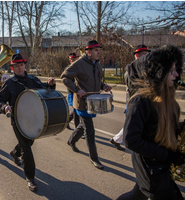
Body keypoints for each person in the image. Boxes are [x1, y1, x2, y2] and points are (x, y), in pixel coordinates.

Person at [117, 45, 184, 200]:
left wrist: (181, 127)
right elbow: (131, 140)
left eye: (177, 69)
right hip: (150, 167)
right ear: (159, 72)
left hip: (158, 165)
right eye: (171, 70)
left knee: (137, 194)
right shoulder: (140, 100)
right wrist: (167, 156)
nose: (176, 74)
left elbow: (159, 130)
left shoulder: (169, 100)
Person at [0, 53, 55, 192]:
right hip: (18, 120)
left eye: (21, 65)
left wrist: (51, 85)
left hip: (33, 119)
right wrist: (5, 107)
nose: (20, 68)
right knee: (27, 148)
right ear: (13, 68)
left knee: (29, 142)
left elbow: (46, 91)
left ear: (25, 65)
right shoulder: (9, 83)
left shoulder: (33, 80)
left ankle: (15, 153)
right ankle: (30, 177)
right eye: (16, 66)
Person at [61, 40, 112, 170]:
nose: (99, 52)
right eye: (96, 50)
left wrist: (103, 86)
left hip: (94, 101)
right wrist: (77, 90)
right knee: (90, 130)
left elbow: (97, 81)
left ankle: (71, 140)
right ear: (88, 52)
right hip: (83, 102)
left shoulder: (98, 64)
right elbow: (64, 77)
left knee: (83, 126)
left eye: (99, 50)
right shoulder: (79, 64)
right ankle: (94, 158)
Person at [110, 44, 151, 151]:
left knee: (133, 125)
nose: (148, 57)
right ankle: (119, 140)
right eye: (145, 54)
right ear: (137, 56)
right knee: (132, 125)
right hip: (134, 102)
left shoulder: (144, 68)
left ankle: (116, 139)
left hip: (143, 101)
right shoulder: (131, 70)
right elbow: (134, 87)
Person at [66, 52, 80, 130]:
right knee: (76, 111)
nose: (74, 60)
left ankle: (66, 121)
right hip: (71, 92)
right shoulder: (68, 69)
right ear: (69, 60)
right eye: (72, 59)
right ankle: (77, 129)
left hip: (78, 93)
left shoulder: (79, 67)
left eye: (75, 58)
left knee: (76, 110)